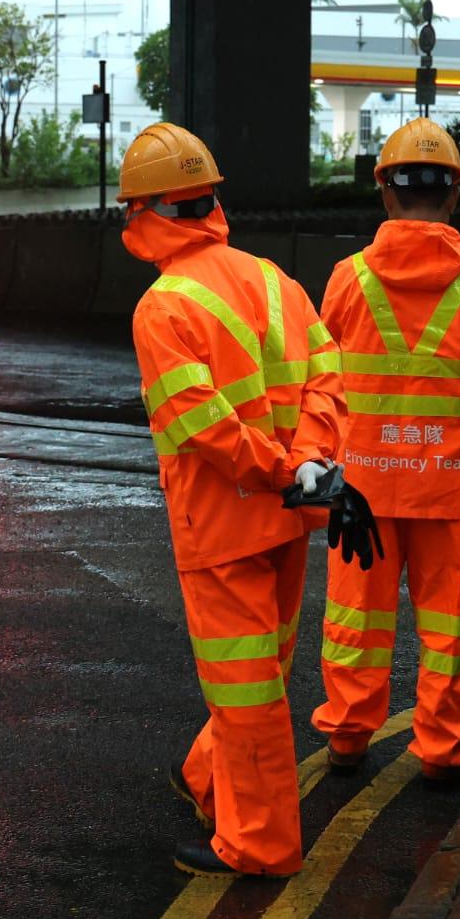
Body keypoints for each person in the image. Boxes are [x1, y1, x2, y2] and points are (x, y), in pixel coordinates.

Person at [122, 122, 347, 878]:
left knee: (245, 689)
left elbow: (203, 427)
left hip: (223, 529)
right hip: (287, 518)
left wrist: (282, 470)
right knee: (259, 675)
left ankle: (259, 843)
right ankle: (209, 780)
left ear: (151, 212)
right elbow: (327, 377)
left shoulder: (163, 307)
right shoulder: (275, 281)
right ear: (208, 204)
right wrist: (309, 466)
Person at [311, 117, 460, 784]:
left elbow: (323, 367)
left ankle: (347, 736)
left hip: (364, 489)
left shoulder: (347, 279)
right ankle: (449, 746)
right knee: (453, 624)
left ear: (384, 193)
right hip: (448, 487)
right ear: (454, 195)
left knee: (355, 620)